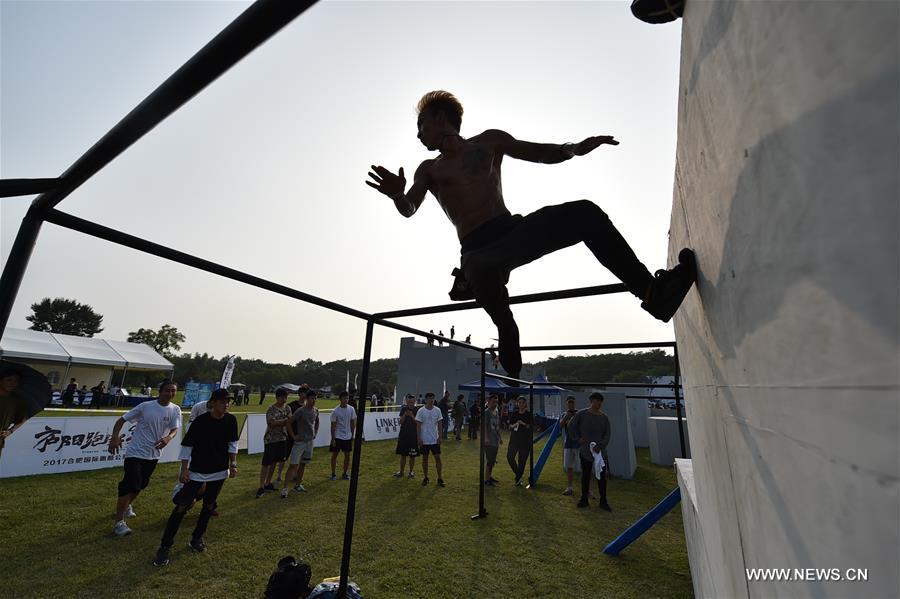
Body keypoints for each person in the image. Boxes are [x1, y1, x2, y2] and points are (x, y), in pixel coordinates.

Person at [367, 90, 696, 379]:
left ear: (441, 118)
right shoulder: (429, 169)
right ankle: (506, 329)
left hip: (511, 231)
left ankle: (653, 293)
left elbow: (537, 152)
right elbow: (410, 207)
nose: (419, 135)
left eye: (421, 125)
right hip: (476, 250)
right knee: (479, 269)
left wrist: (573, 148)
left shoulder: (490, 141)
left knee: (585, 212)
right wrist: (398, 195)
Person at [152, 388, 238, 566]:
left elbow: (232, 444)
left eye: (228, 401)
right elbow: (187, 446)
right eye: (222, 401)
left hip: (219, 471)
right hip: (197, 470)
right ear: (212, 403)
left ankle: (196, 539)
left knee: (208, 506)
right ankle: (165, 546)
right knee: (181, 508)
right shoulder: (200, 421)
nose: (226, 404)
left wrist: (233, 464)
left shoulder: (231, 420)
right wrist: (185, 469)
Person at [108, 379, 181, 536]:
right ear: (160, 391)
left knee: (141, 484)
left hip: (153, 454)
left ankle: (127, 506)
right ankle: (119, 523)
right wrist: (115, 437)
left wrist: (169, 437)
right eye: (167, 390)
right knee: (130, 484)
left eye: (173, 391)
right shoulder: (146, 406)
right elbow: (121, 420)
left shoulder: (175, 409)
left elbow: (175, 428)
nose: (170, 393)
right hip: (135, 452)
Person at [571, 392, 611, 511]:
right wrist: (578, 438)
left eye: (600, 401)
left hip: (600, 452)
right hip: (585, 450)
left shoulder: (604, 418)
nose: (598, 403)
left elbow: (607, 435)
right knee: (586, 475)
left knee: (602, 477)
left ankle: (603, 501)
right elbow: (571, 425)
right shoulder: (582, 414)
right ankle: (584, 499)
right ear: (592, 401)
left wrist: (600, 445)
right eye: (596, 401)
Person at [281, 389, 319, 497]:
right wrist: (293, 436)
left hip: (309, 442)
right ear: (307, 399)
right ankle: (285, 488)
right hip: (300, 442)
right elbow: (289, 422)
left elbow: (317, 422)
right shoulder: (301, 411)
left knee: (303, 464)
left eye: (315, 398)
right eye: (312, 398)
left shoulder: (316, 410)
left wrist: (315, 432)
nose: (314, 400)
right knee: (293, 465)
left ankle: (298, 485)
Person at [257, 388, 291, 498]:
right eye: (282, 397)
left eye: (286, 397)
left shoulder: (288, 408)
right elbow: (271, 423)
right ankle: (261, 486)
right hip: (271, 439)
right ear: (277, 397)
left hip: (282, 438)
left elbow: (289, 420)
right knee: (266, 463)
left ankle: (268, 483)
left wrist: (281, 422)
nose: (284, 399)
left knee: (275, 462)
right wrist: (284, 421)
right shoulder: (271, 409)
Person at [415, 392, 445, 487]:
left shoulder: (437, 410)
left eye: (433, 398)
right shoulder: (421, 411)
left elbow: (440, 424)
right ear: (426, 399)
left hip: (434, 439)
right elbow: (418, 426)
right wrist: (419, 438)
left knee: (438, 458)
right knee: (425, 459)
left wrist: (440, 436)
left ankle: (440, 478)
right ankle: (425, 477)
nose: (432, 400)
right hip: (424, 439)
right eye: (430, 398)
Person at [0, 365, 28, 458]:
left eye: (16, 381)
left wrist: (10, 431)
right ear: (1, 380)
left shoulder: (17, 401)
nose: (13, 383)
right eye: (9, 380)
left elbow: (23, 418)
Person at [329, 391, 356, 481]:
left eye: (347, 398)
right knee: (334, 455)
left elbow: (353, 422)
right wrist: (333, 439)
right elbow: (333, 425)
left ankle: (345, 473)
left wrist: (352, 434)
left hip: (347, 436)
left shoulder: (351, 409)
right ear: (340, 399)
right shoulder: (335, 411)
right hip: (338, 436)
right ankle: (333, 474)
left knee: (347, 455)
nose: (346, 400)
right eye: (344, 398)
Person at [506, 396, 533, 486]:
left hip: (525, 441)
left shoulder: (529, 414)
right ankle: (518, 475)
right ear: (517, 403)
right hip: (514, 440)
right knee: (510, 457)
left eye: (523, 403)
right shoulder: (514, 413)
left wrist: (523, 424)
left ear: (525, 404)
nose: (521, 404)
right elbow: (509, 426)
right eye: (519, 402)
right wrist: (514, 425)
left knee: (522, 461)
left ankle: (518, 479)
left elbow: (532, 427)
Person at [393, 394, 419, 478]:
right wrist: (405, 415)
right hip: (404, 435)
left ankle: (411, 472)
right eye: (409, 401)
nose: (410, 403)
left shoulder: (417, 410)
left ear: (414, 401)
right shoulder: (404, 409)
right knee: (403, 455)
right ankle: (401, 472)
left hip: (413, 436)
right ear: (407, 401)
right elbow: (400, 422)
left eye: (412, 402)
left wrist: (411, 416)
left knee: (412, 455)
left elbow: (418, 423)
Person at [560, 396, 581, 496]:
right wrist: (566, 417)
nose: (571, 404)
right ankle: (569, 487)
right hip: (568, 443)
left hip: (578, 444)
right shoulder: (564, 414)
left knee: (584, 467)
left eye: (572, 402)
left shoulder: (579, 414)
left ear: (575, 403)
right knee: (569, 467)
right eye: (569, 403)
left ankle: (587, 489)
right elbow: (560, 426)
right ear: (566, 404)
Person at [483, 394, 502, 486]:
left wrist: (500, 437)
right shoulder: (486, 412)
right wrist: (486, 438)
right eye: (493, 401)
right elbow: (484, 426)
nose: (495, 403)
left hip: (495, 440)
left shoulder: (496, 412)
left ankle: (490, 476)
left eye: (496, 402)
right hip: (489, 440)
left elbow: (497, 426)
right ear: (489, 401)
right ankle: (486, 479)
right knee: (490, 460)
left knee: (493, 460)